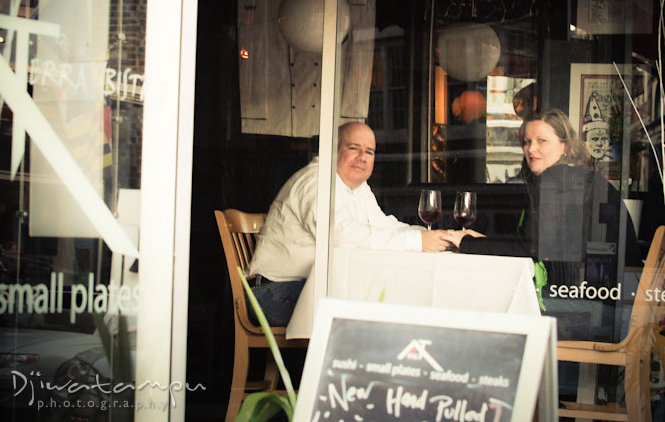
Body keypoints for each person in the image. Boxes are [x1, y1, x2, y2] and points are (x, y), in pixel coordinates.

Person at [248, 122, 480, 326]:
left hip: (308, 286)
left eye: (369, 151)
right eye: (353, 148)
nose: (362, 157)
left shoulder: (356, 187)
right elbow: (341, 237)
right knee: (377, 302)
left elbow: (385, 226)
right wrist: (417, 242)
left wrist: (441, 237)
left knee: (388, 295)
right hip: (274, 292)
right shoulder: (316, 181)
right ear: (333, 149)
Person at [460, 109, 639, 312]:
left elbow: (528, 247)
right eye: (527, 142)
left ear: (565, 145)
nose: (531, 149)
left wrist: (466, 243)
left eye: (541, 141)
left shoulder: (559, 179)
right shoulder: (573, 176)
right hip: (614, 298)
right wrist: (480, 240)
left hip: (594, 306)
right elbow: (536, 241)